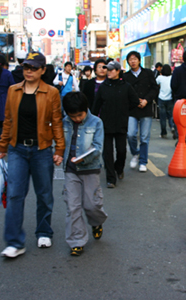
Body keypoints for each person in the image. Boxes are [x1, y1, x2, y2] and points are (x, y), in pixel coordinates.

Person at [0, 51, 65, 258]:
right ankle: (15, 242)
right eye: (26, 67)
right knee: (15, 194)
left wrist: (59, 149)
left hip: (41, 150)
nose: (29, 71)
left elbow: (57, 122)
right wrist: (2, 146)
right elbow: (8, 120)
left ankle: (44, 231)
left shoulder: (51, 92)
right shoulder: (13, 90)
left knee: (44, 194)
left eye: (34, 68)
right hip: (17, 149)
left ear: (43, 70)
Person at [61, 91, 107, 256]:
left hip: (90, 169)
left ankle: (96, 222)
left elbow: (98, 147)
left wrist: (84, 159)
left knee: (92, 204)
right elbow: (60, 143)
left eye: (79, 115)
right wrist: (58, 154)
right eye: (72, 116)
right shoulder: (64, 122)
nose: (76, 119)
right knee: (72, 206)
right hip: (70, 170)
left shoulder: (96, 122)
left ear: (86, 109)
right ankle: (76, 240)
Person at [91, 61, 140, 188]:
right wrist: (92, 121)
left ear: (118, 71)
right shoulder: (103, 87)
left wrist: (125, 110)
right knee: (107, 153)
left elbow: (135, 101)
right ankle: (111, 178)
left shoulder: (126, 86)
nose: (109, 72)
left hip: (121, 124)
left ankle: (119, 168)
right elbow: (96, 106)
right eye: (107, 69)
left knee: (122, 151)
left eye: (112, 70)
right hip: (106, 124)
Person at [123, 51, 159, 172]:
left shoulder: (148, 73)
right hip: (132, 109)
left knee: (144, 137)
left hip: (146, 108)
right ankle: (135, 153)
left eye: (135, 59)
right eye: (130, 59)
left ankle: (143, 161)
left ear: (139, 60)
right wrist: (135, 101)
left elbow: (154, 88)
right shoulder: (126, 76)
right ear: (128, 62)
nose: (132, 61)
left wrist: (146, 100)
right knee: (131, 134)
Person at [155, 64, 174, 138]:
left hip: (161, 98)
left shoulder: (160, 78)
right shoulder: (172, 77)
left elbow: (155, 84)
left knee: (162, 117)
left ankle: (164, 132)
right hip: (170, 99)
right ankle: (172, 126)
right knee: (170, 115)